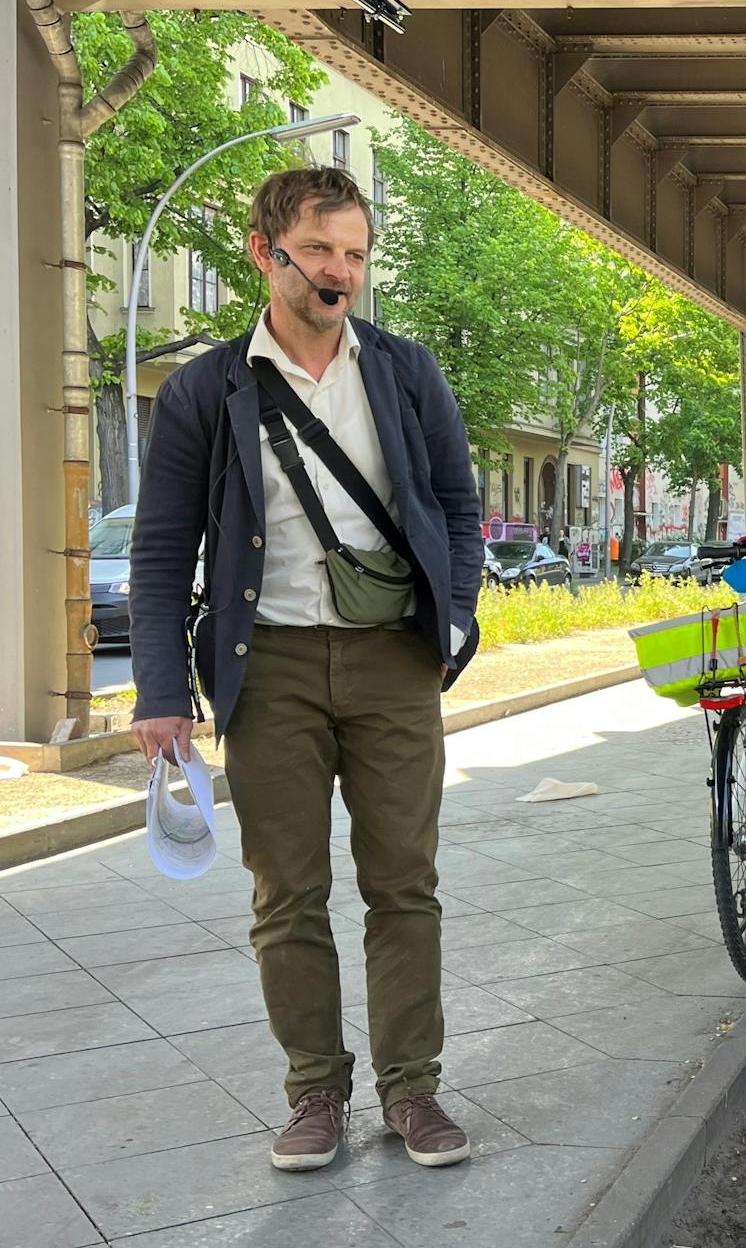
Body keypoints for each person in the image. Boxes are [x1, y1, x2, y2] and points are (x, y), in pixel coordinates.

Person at [130, 167, 483, 1174]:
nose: (341, 273)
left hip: (390, 662)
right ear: (264, 252)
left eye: (356, 254)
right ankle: (313, 1090)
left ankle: (412, 1089)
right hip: (268, 664)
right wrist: (161, 692)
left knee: (403, 886)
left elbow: (457, 506)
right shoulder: (207, 389)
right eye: (321, 250)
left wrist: (454, 613)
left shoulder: (405, 372)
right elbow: (161, 550)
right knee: (286, 894)